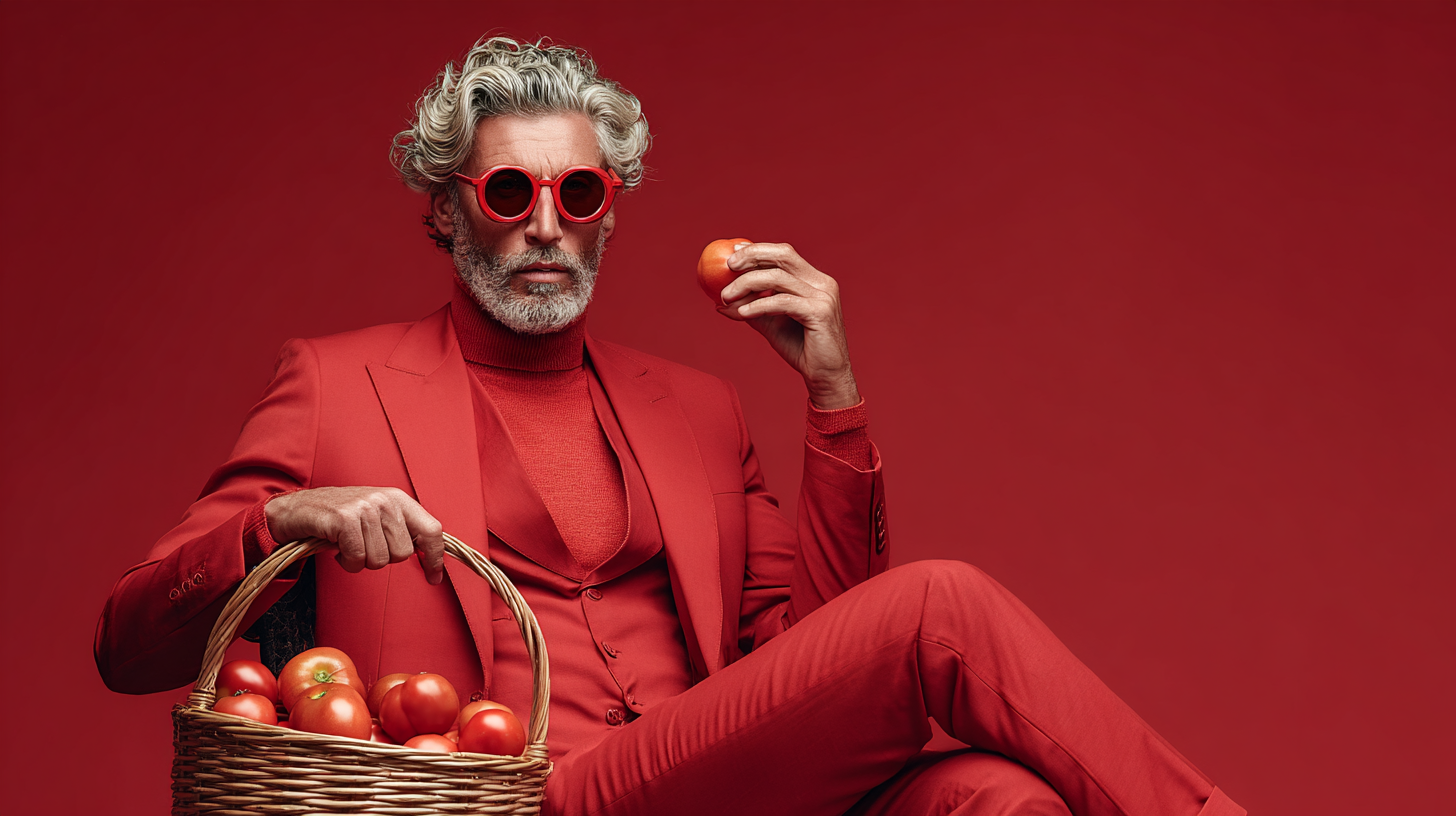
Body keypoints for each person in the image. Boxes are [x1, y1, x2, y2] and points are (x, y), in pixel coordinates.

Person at [94, 36, 1244, 816]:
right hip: (526, 791)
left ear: (607, 217)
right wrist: (278, 521)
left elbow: (819, 654)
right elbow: (126, 643)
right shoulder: (335, 384)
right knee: (941, 605)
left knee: (1002, 799)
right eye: (508, 195)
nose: (545, 226)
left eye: (578, 196)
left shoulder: (693, 408)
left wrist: (832, 399)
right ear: (446, 214)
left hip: (708, 785)